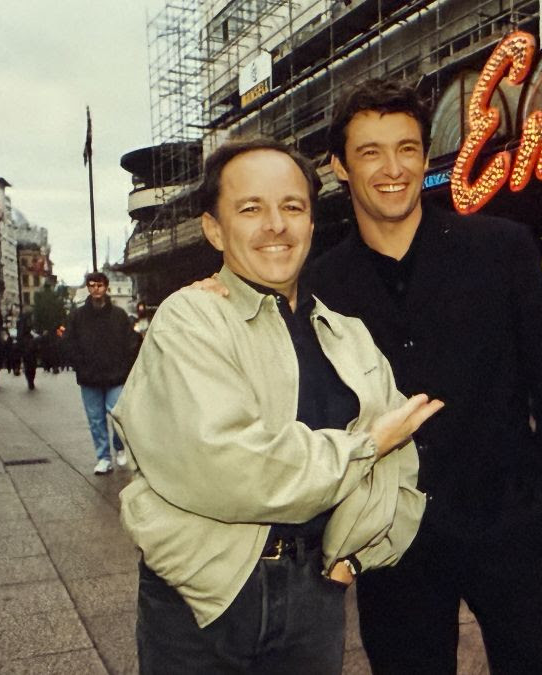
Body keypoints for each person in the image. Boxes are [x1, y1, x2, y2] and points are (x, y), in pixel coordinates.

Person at [112, 137, 441, 673]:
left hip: (315, 591)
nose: (275, 225)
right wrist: (364, 446)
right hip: (204, 597)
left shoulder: (346, 334)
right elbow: (232, 465)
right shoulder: (190, 319)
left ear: (312, 222)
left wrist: (353, 556)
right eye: (250, 209)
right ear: (214, 229)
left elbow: (401, 456)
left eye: (292, 207)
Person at [314, 81, 542, 673]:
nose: (393, 169)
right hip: (394, 545)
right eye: (370, 152)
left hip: (509, 522)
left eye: (407, 148)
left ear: (425, 155)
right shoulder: (322, 286)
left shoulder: (501, 249)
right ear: (339, 165)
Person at [64, 271, 137, 475]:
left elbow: (131, 342)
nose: (96, 289)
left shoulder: (119, 315)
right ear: (88, 287)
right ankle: (103, 457)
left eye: (100, 285)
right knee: (95, 419)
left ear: (106, 288)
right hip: (89, 377)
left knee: (118, 415)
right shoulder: (78, 316)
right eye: (92, 285)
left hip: (116, 375)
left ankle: (120, 447)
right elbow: (69, 343)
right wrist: (79, 364)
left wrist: (125, 366)